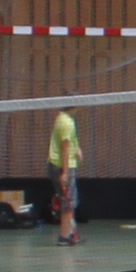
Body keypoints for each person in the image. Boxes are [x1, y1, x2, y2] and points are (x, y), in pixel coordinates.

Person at [45, 105, 84, 244]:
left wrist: (77, 149)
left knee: (67, 200)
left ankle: (70, 233)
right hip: (62, 166)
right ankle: (64, 236)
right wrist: (65, 173)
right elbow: (65, 148)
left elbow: (69, 141)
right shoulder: (67, 122)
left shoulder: (62, 118)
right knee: (68, 201)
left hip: (57, 165)